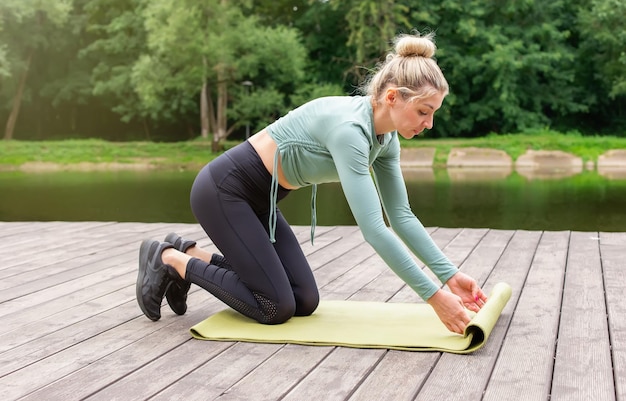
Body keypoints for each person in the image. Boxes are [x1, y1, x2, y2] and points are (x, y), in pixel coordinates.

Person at [135, 32, 488, 335]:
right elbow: (375, 229)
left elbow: (400, 216)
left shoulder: (386, 139)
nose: (428, 124)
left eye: (433, 114)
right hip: (224, 190)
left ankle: (190, 252)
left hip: (262, 201)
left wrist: (449, 276)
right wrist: (434, 298)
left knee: (303, 299)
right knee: (275, 306)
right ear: (392, 97)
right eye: (424, 111)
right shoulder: (350, 131)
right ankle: (168, 258)